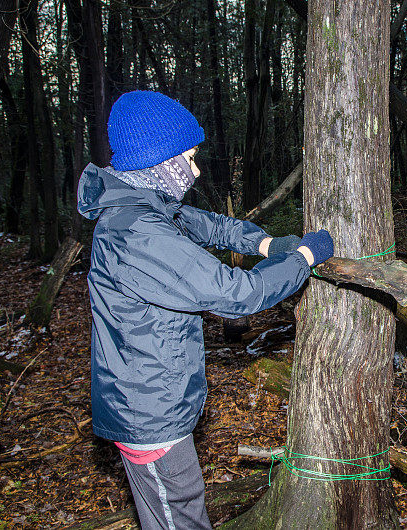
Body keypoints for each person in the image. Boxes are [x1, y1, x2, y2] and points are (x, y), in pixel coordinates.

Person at [77, 90, 333, 529]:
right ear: (160, 161)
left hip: (152, 397)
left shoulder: (142, 206)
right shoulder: (138, 233)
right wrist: (304, 259)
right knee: (182, 517)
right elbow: (238, 295)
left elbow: (207, 224)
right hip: (150, 413)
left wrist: (265, 243)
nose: (196, 171)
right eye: (189, 158)